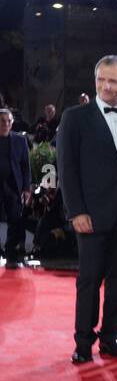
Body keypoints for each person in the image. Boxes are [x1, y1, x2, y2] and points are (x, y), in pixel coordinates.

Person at [56, 55, 117, 363]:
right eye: (101, 80)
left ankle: (110, 338)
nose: (106, 86)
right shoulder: (74, 117)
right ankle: (83, 343)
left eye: (113, 81)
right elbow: (67, 168)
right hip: (90, 215)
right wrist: (76, 211)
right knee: (89, 279)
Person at [0, 108, 33, 268]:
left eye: (9, 121)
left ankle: (11, 255)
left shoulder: (20, 140)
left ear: (12, 123)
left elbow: (26, 166)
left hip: (13, 186)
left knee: (15, 220)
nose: (6, 124)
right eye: (2, 121)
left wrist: (27, 188)